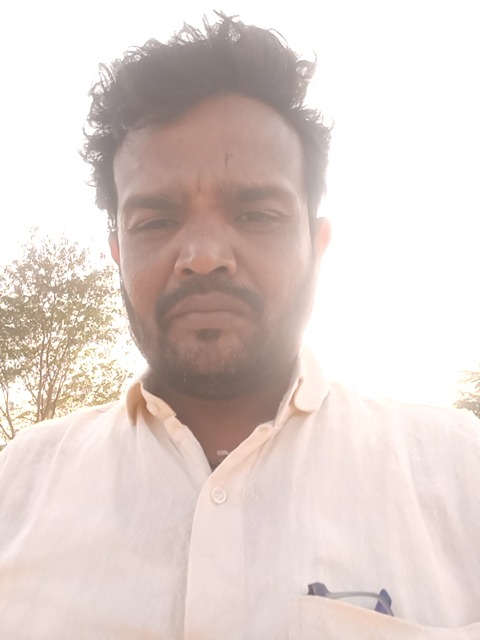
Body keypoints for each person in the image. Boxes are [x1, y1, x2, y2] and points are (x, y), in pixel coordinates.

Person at [0, 13, 479, 640]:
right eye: (155, 221)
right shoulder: (18, 488)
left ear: (317, 245)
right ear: (118, 252)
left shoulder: (460, 473)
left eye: (255, 214)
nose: (203, 256)